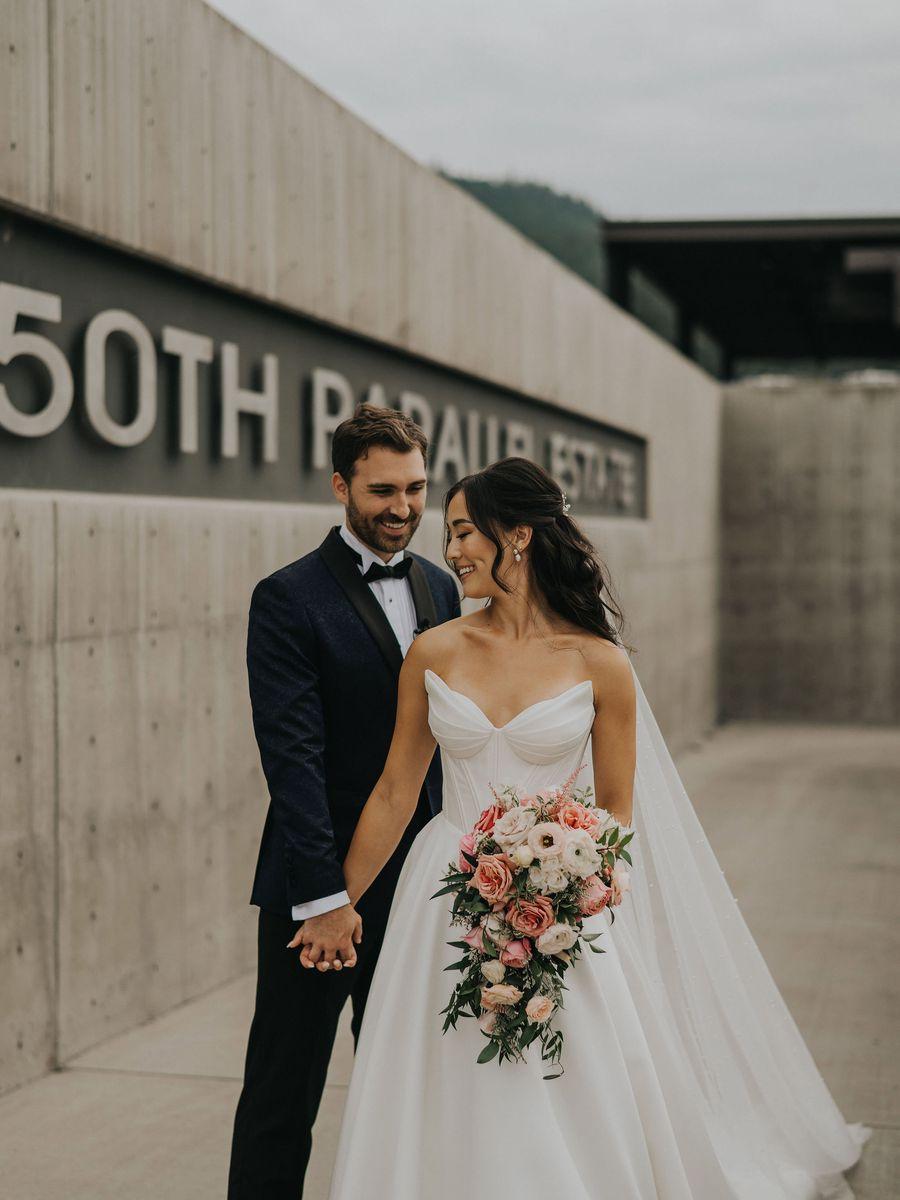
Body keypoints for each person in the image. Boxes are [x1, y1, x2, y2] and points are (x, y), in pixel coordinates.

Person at [296, 456, 871, 1199]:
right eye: (451, 535)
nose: (453, 551)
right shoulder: (433, 651)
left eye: (466, 532)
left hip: (558, 907)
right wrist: (337, 905)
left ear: (521, 537)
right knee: (441, 1071)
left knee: (567, 1073)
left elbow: (617, 814)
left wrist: (567, 883)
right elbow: (395, 792)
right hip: (441, 899)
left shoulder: (601, 664)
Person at [227, 404, 461, 1199]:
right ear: (340, 486)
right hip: (317, 886)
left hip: (426, 884)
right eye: (382, 490)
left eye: (417, 489)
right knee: (282, 1093)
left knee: (411, 1083)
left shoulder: (441, 585)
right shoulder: (286, 597)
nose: (402, 509)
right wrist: (326, 900)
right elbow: (292, 760)